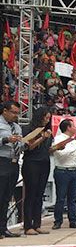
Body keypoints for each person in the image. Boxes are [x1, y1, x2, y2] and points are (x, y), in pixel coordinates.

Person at [22, 107, 53, 235]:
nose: (47, 120)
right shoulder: (29, 129)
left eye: (49, 118)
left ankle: (37, 224)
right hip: (31, 163)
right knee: (31, 194)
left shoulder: (48, 131)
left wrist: (57, 147)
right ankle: (28, 225)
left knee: (39, 194)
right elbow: (28, 147)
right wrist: (42, 138)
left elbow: (48, 149)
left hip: (44, 162)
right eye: (46, 117)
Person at [52, 119, 76, 230]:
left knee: (73, 198)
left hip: (73, 171)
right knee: (61, 198)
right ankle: (58, 221)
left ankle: (73, 220)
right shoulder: (58, 139)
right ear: (68, 127)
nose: (75, 128)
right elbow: (62, 156)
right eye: (73, 126)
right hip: (62, 170)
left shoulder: (73, 141)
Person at [0, 101, 24, 238]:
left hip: (14, 162)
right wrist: (6, 139)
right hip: (2, 160)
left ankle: (3, 228)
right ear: (5, 111)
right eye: (13, 112)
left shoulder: (16, 127)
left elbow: (19, 145)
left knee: (7, 197)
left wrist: (25, 144)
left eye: (17, 113)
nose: (16, 115)